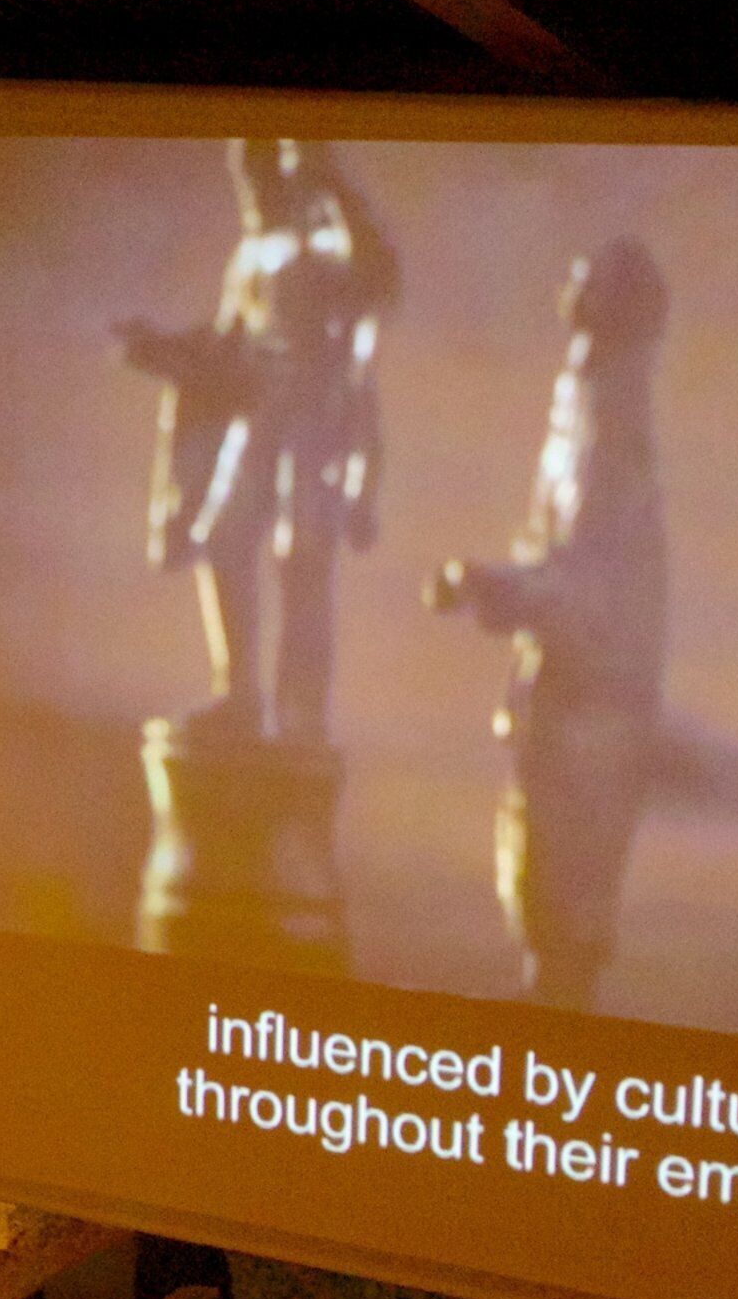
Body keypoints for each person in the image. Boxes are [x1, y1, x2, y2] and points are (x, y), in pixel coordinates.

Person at [427, 241, 672, 1005]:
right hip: (570, 706)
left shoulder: (612, 431)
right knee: (551, 911)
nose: (574, 305)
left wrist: (494, 588)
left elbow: (593, 587)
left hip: (587, 717)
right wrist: (498, 587)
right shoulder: (594, 415)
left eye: (592, 295)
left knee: (563, 915)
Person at [119, 138, 393, 745]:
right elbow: (227, 346)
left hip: (317, 422)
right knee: (223, 540)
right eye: (244, 178)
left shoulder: (328, 249)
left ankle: (301, 713)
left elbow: (378, 280)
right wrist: (162, 351)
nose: (250, 191)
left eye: (260, 176)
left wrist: (333, 186)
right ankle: (238, 695)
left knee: (303, 559)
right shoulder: (250, 256)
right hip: (260, 419)